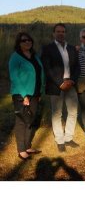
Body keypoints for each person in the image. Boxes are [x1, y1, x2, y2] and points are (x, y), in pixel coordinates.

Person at [41, 23, 80, 152]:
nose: (61, 33)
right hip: (56, 85)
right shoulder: (47, 48)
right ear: (54, 33)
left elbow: (77, 67)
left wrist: (72, 80)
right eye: (58, 31)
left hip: (71, 84)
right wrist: (60, 83)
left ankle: (68, 138)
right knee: (57, 113)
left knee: (73, 112)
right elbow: (47, 69)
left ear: (66, 33)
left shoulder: (72, 48)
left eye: (63, 31)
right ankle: (60, 140)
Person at [9, 32, 45, 160]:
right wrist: (24, 95)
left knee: (31, 120)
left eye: (29, 40)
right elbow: (14, 77)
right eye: (24, 40)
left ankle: (27, 146)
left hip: (35, 93)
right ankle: (21, 150)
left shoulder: (34, 56)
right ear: (19, 43)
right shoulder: (15, 57)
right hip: (21, 94)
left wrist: (40, 91)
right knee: (21, 121)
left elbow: (40, 73)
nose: (27, 42)